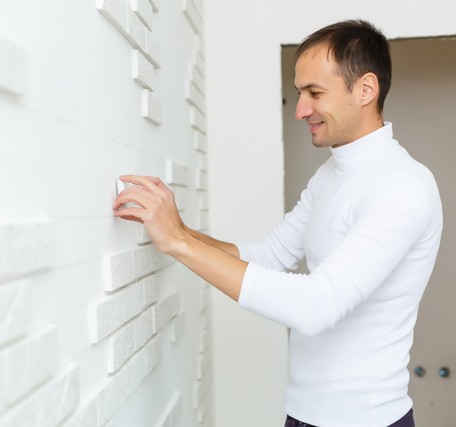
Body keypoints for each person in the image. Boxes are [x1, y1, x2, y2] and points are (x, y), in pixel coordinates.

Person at [112, 19, 442, 427]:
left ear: (366, 89)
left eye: (315, 93)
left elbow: (318, 305)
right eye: (300, 93)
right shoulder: (331, 176)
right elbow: (267, 256)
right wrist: (177, 227)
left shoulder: (402, 186)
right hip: (303, 416)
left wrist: (179, 242)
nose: (302, 109)